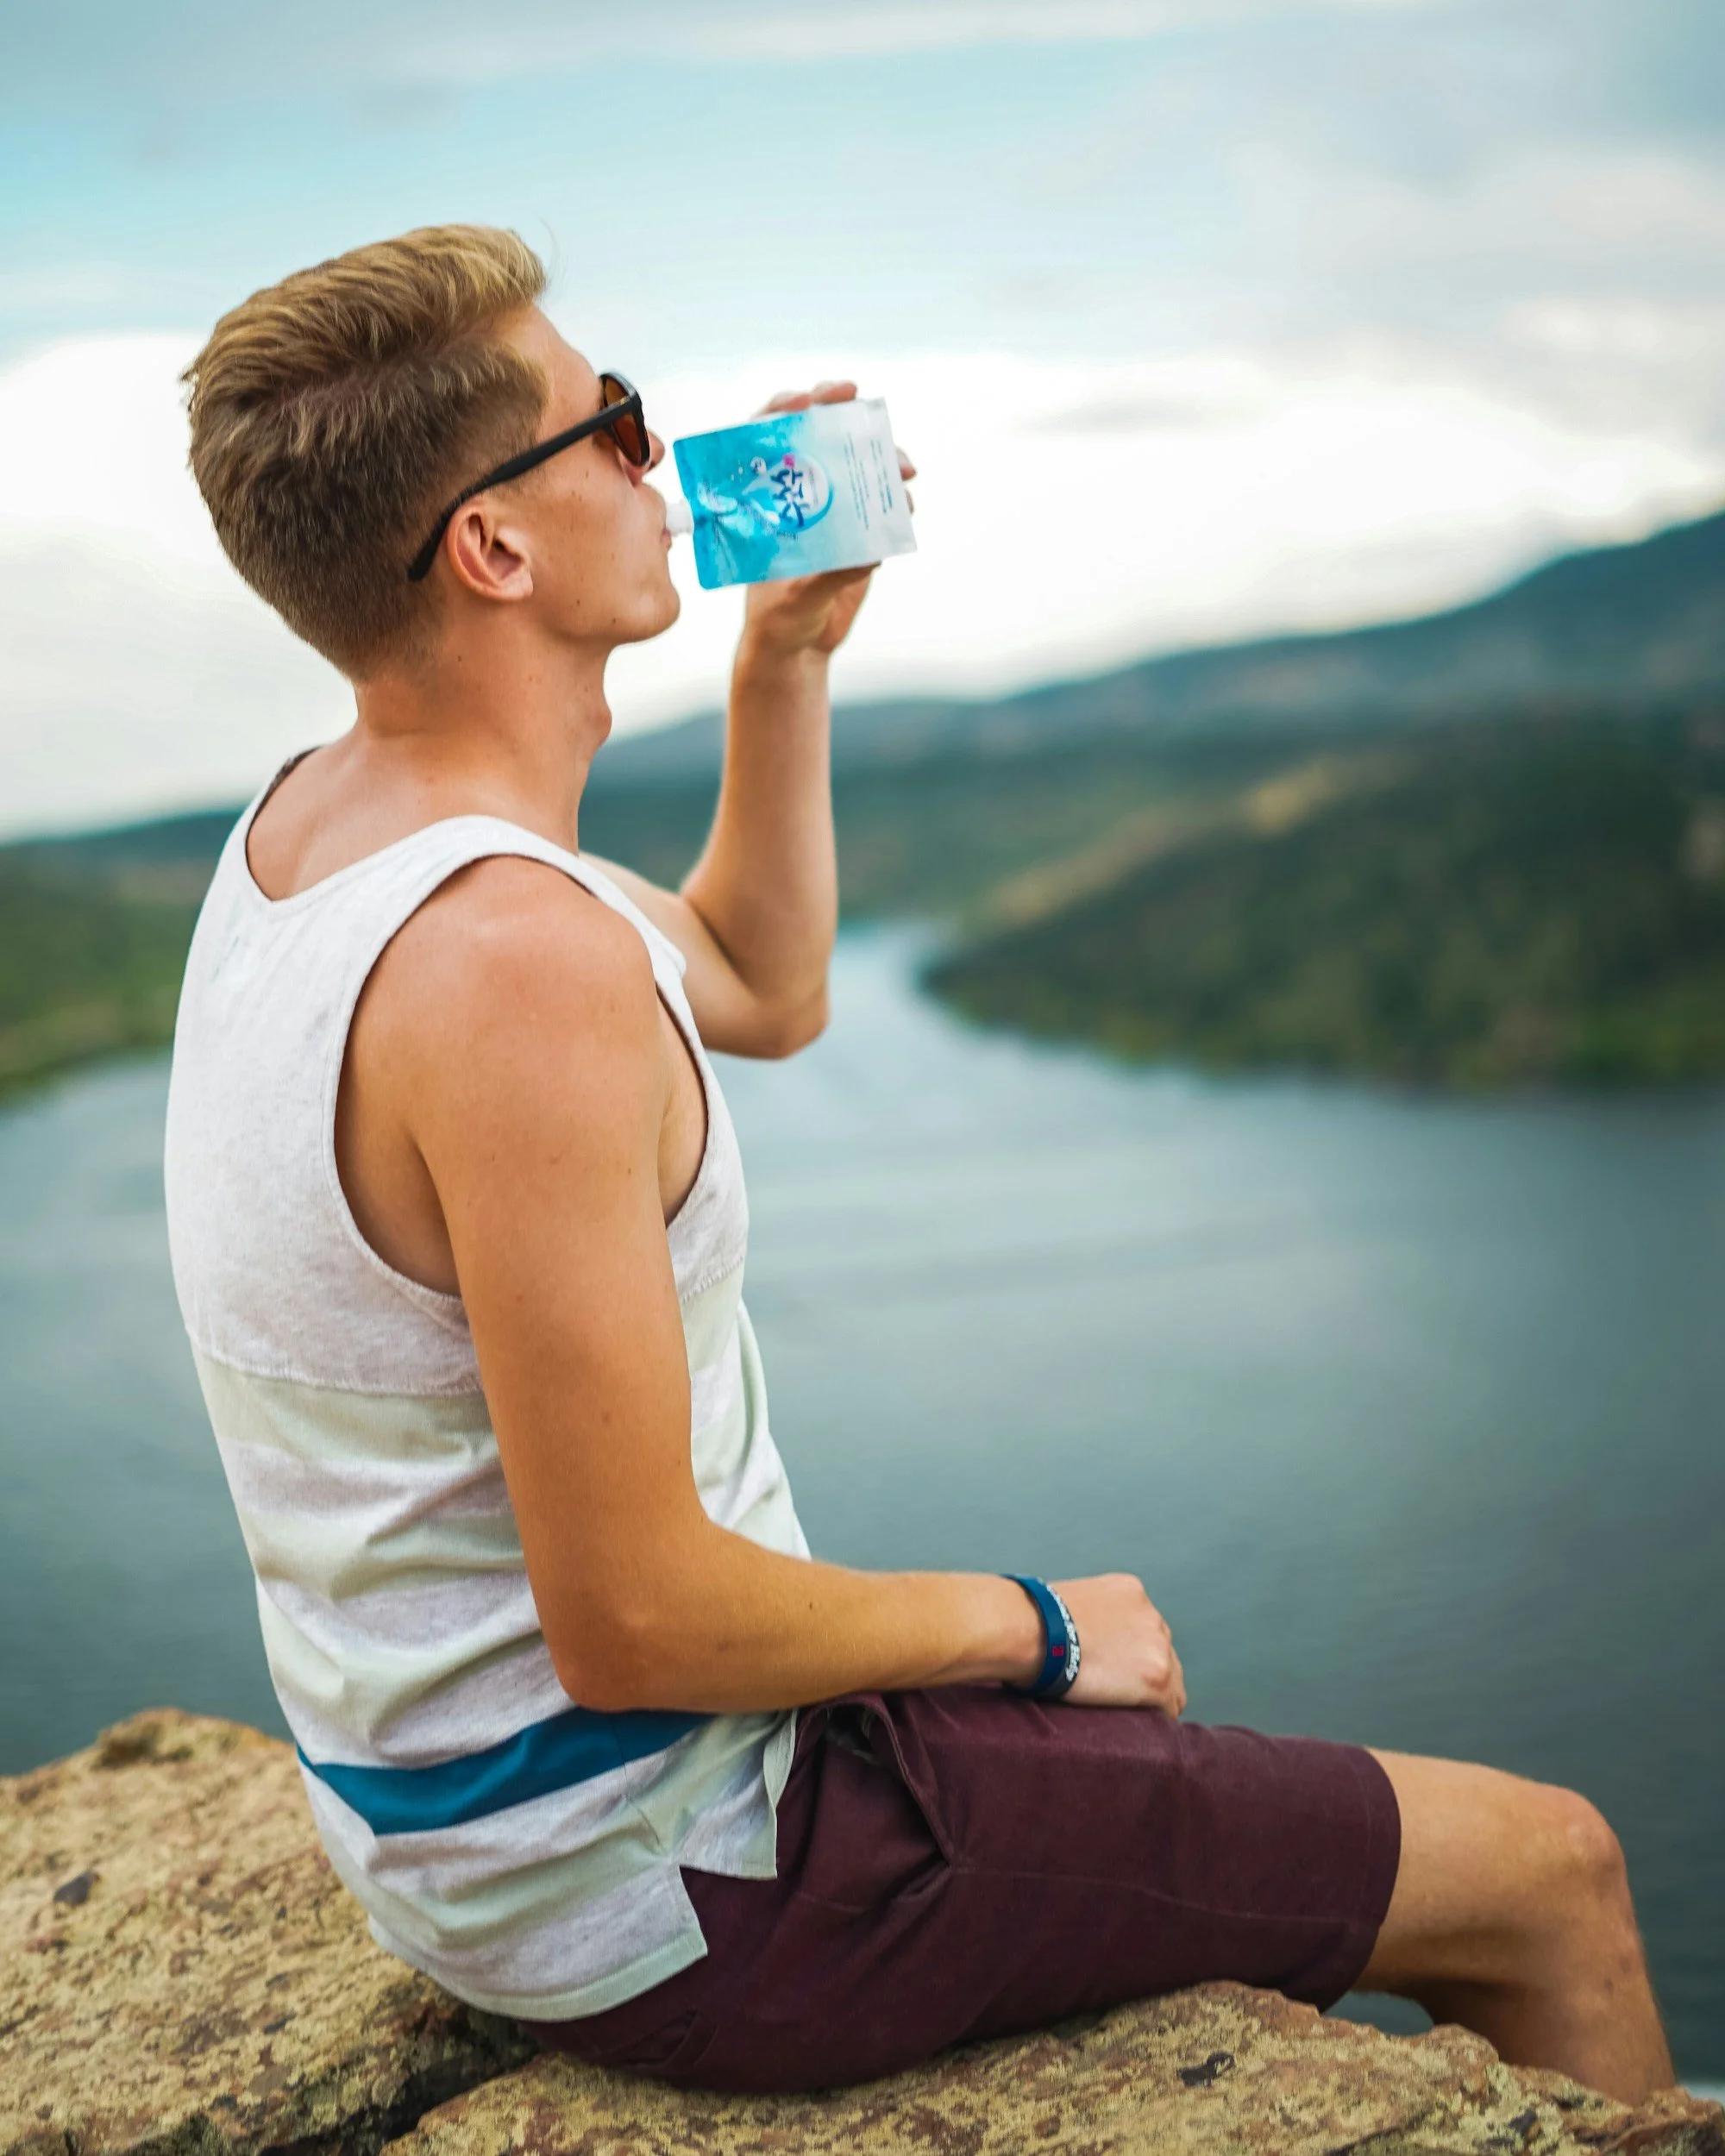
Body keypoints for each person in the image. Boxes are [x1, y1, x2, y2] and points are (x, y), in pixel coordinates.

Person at [164, 224, 1672, 2103]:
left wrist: (782, 656)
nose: (660, 456)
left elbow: (762, 984)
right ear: (495, 547)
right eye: (614, 425)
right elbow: (636, 1615)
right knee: (1552, 1872)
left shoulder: (321, 829)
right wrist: (1036, 1626)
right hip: (685, 1872)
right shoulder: (504, 964)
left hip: (488, 1834)